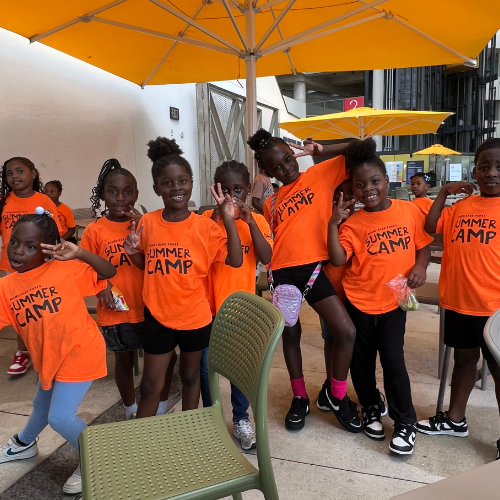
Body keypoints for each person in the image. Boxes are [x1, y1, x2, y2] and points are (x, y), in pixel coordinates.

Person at [247, 129, 359, 433]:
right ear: (268, 173)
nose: (286, 167)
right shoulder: (271, 203)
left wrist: (320, 151)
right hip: (282, 272)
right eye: (277, 167)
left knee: (346, 331)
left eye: (288, 158)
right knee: (291, 336)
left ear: (294, 153)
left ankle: (337, 395)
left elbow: (359, 146)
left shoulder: (320, 173)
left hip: (313, 270)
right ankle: (299, 397)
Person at [124, 137, 242, 418]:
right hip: (158, 316)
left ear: (191, 183)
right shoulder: (147, 222)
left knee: (190, 377)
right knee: (150, 385)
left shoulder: (204, 226)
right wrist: (132, 253)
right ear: (156, 188)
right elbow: (148, 265)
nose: (176, 187)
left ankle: (188, 430)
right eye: (167, 183)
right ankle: (140, 436)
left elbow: (236, 260)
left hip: (194, 317)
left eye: (182, 181)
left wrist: (228, 219)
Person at [328, 138, 432, 455]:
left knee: (393, 362)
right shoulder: (352, 224)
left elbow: (423, 245)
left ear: (387, 181)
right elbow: (337, 259)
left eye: (374, 181)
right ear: (353, 189)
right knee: (361, 363)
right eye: (360, 185)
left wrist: (421, 266)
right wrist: (333, 223)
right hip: (358, 302)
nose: (368, 189)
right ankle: (371, 406)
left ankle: (405, 422)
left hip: (393, 303)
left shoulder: (408, 210)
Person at [0, 212, 116, 495]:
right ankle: (24, 443)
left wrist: (80, 253)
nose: (18, 250)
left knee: (60, 417)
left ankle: (96, 459)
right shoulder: (6, 287)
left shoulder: (67, 270)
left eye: (30, 246)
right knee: (42, 404)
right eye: (14, 241)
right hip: (50, 358)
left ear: (48, 249)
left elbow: (109, 271)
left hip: (80, 351)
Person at [416, 138, 500, 461]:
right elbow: (429, 226)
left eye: (499, 167)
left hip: (494, 310)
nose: (491, 173)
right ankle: (454, 420)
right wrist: (442, 194)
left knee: (498, 370)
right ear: (474, 171)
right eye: (484, 167)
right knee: (464, 361)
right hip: (460, 303)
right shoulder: (460, 207)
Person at [80, 159, 175, 419]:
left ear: (137, 194)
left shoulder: (146, 224)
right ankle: (131, 409)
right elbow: (83, 267)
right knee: (124, 360)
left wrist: (147, 225)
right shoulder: (94, 231)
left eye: (128, 191)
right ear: (103, 195)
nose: (121, 198)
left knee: (168, 359)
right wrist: (103, 284)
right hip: (117, 311)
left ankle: (161, 406)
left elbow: (162, 255)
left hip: (151, 306)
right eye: (113, 191)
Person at [201, 160, 273, 450]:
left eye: (238, 189)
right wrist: (219, 216)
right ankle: (212, 418)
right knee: (206, 368)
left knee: (239, 368)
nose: (231, 196)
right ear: (216, 190)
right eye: (225, 190)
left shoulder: (257, 221)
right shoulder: (206, 219)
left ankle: (241, 418)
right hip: (207, 308)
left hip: (240, 310)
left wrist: (250, 221)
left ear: (247, 189)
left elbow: (266, 257)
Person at [0, 157, 62, 377]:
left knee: (45, 309)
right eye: (9, 173)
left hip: (40, 266)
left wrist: (53, 259)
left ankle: (52, 349)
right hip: (12, 266)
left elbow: (54, 233)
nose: (14, 176)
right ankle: (23, 351)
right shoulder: (3, 201)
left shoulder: (44, 201)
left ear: (33, 174)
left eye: (20, 171)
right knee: (21, 312)